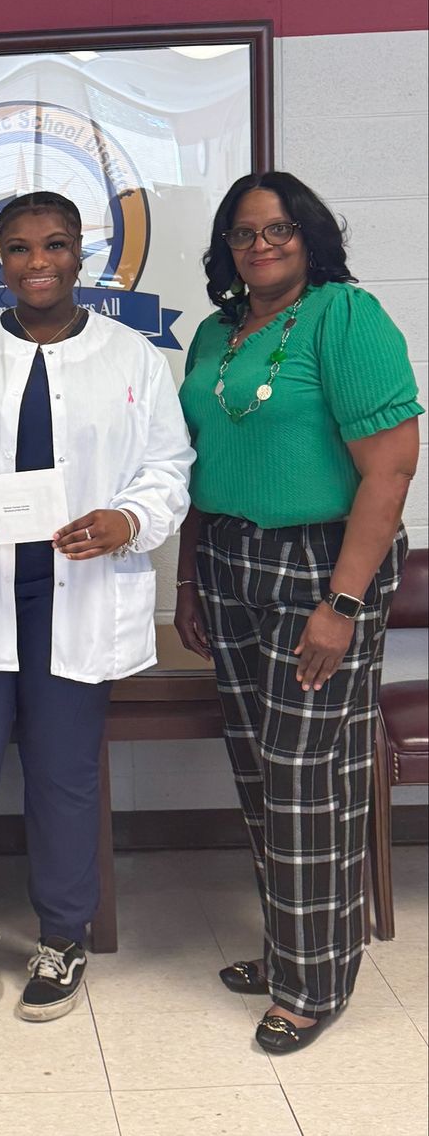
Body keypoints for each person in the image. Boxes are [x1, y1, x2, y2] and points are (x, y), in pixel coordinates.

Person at [0, 190, 192, 1020]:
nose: (36, 262)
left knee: (63, 777)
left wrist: (127, 520)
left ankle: (64, 935)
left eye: (54, 245)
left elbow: (168, 470)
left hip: (77, 598)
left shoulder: (131, 358)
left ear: (81, 254)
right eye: (19, 247)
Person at [175, 170, 421, 1054]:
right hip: (234, 559)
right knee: (257, 765)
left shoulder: (344, 318)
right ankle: (294, 950)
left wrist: (344, 603)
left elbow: (390, 468)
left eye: (278, 229)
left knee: (304, 768)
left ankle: (314, 983)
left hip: (326, 563)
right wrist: (189, 580)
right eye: (244, 233)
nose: (261, 245)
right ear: (226, 248)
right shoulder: (217, 332)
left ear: (311, 235)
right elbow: (199, 461)